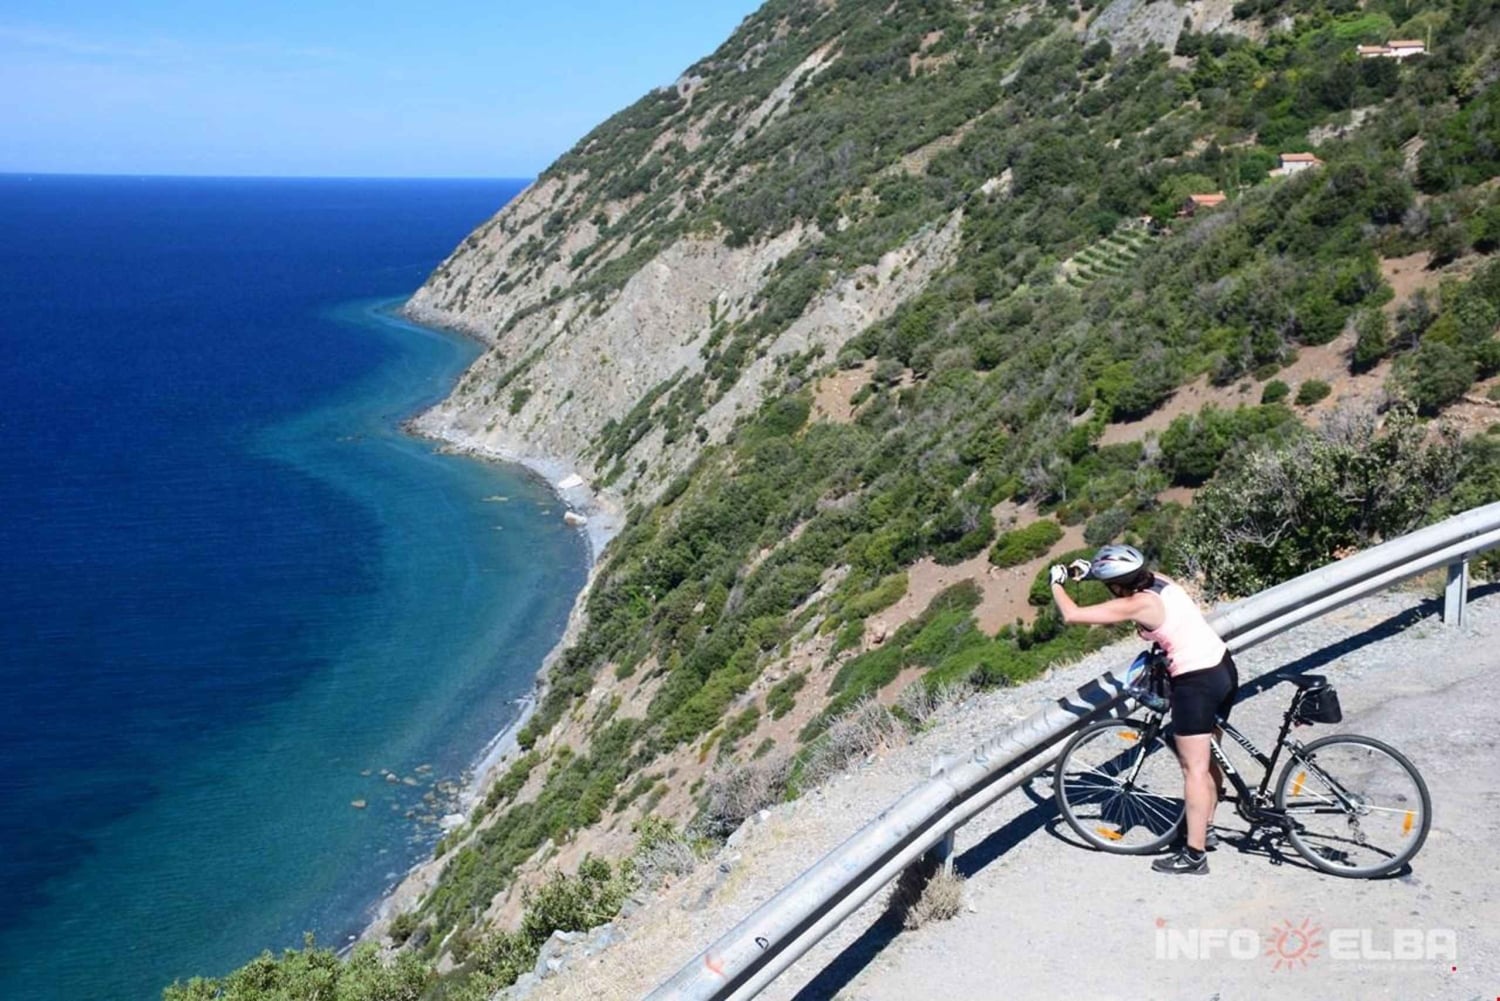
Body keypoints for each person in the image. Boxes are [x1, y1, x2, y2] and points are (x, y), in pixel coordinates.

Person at [1048, 544, 1238, 876]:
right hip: (1222, 667)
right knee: (1209, 755)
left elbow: (1073, 615)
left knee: (1193, 768)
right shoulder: (1159, 582)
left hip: (1195, 682)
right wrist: (1090, 573)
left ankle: (1194, 856)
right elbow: (1125, 581)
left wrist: (1056, 582)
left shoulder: (1138, 604)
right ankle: (1205, 826)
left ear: (1119, 585)